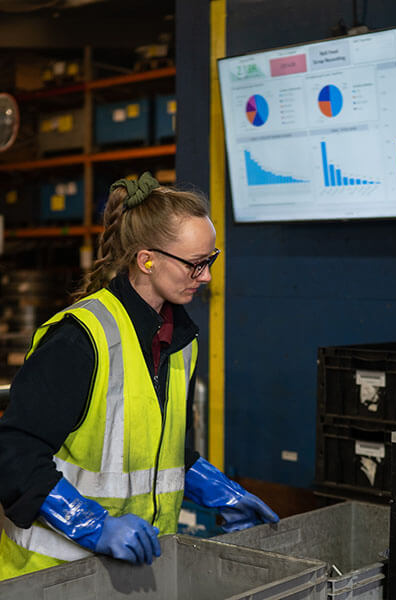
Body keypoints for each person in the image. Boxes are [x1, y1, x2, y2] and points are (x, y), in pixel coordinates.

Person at [0, 172, 278, 580]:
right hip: (54, 576)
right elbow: (14, 454)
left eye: (211, 260)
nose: (207, 277)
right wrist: (92, 524)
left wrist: (213, 486)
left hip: (135, 570)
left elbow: (148, 447)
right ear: (147, 261)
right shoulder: (80, 340)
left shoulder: (179, 340)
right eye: (196, 265)